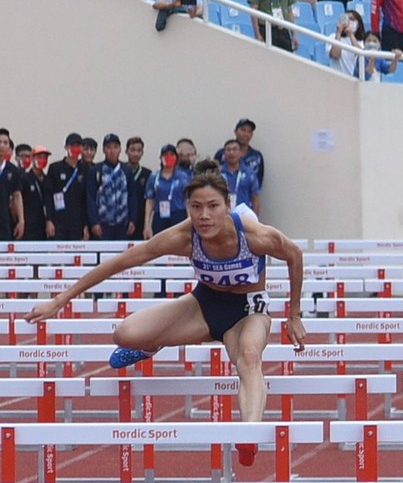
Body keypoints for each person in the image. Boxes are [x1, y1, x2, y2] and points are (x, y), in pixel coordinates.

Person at [29, 166, 308, 465]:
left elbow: (294, 255)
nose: (204, 216)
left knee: (249, 356)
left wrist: (293, 314)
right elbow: (121, 262)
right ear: (187, 208)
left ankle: (249, 433)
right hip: (203, 304)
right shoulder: (183, 237)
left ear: (227, 205)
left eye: (213, 206)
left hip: (247, 310)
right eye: (196, 207)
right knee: (123, 334)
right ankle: (151, 345)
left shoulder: (254, 235)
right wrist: (60, 300)